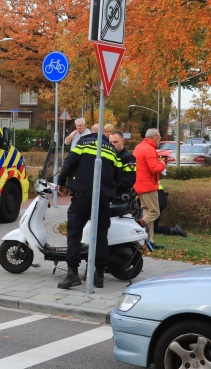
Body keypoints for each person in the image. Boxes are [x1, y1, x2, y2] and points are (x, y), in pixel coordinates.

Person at [57, 123, 122, 289]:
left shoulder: (82, 144)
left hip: (82, 195)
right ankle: (98, 275)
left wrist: (61, 182)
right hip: (103, 198)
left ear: (89, 133)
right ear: (104, 135)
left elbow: (68, 163)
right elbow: (119, 175)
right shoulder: (112, 150)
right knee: (101, 236)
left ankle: (72, 274)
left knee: (74, 233)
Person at [133, 128, 167, 249]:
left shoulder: (140, 146)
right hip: (148, 186)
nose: (159, 139)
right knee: (154, 212)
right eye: (159, 137)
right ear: (154, 136)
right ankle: (135, 228)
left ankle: (149, 241)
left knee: (147, 212)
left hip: (139, 185)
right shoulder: (149, 149)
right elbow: (155, 169)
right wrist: (163, 163)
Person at [108, 130, 135, 196]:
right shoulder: (108, 156)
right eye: (110, 142)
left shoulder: (128, 158)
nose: (112, 145)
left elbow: (131, 180)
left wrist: (114, 181)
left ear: (123, 141)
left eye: (115, 142)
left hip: (121, 196)